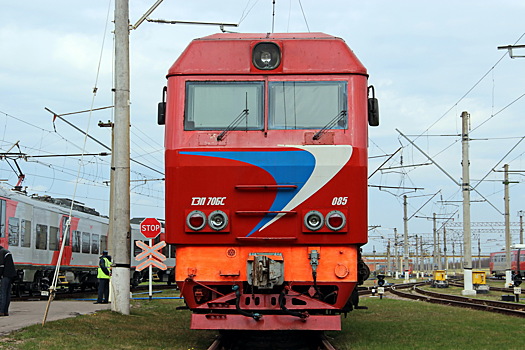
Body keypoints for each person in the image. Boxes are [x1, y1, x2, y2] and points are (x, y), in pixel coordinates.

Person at [0, 245, 16, 316]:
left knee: (2, 293)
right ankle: (5, 311)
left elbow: (1, 266)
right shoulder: (6, 252)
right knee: (7, 293)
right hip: (10, 275)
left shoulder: (1, 252)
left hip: (4, 275)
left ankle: (1, 311)